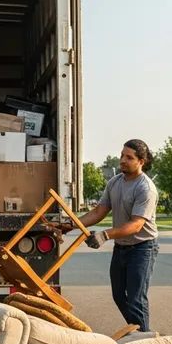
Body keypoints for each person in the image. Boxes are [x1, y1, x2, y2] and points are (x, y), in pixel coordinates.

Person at [58, 140, 160, 331]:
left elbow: (136, 225)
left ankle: (143, 337)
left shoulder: (145, 188)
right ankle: (137, 331)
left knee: (136, 298)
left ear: (141, 161)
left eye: (129, 157)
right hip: (121, 247)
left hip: (143, 248)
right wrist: (70, 226)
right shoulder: (114, 182)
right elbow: (98, 212)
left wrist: (105, 235)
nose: (123, 160)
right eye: (122, 155)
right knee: (119, 295)